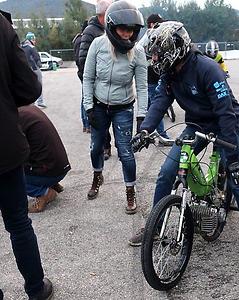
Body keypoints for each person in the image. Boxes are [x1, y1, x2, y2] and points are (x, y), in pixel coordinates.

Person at [129, 21, 239, 272]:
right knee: (166, 173)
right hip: (196, 125)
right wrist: (144, 130)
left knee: (238, 179)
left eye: (158, 53)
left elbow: (226, 113)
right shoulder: (169, 73)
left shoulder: (208, 69)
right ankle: (155, 223)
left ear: (175, 48)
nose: (154, 58)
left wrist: (234, 156)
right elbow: (160, 101)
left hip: (224, 123)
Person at [0, 12, 53, 299]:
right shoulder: (2, 26)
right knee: (18, 223)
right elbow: (29, 88)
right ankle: (35, 288)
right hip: (3, 145)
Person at [82, 0, 147, 214]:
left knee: (126, 152)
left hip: (123, 107)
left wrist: (142, 116)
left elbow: (143, 86)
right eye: (122, 29)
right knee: (95, 147)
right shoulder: (98, 45)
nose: (127, 34)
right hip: (99, 106)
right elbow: (88, 78)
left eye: (131, 30)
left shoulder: (137, 53)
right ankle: (97, 175)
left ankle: (130, 191)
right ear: (111, 26)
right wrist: (89, 107)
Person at [18, 105, 71, 213]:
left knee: (9, 175)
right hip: (60, 167)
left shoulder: (15, 118)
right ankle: (52, 184)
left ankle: (43, 192)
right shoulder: (28, 108)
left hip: (50, 172)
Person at [79, 0, 113, 159]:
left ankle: (114, 144)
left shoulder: (111, 30)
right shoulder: (90, 32)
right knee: (100, 119)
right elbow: (83, 60)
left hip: (111, 84)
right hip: (96, 85)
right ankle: (105, 146)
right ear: (103, 15)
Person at [140, 13, 173, 145]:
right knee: (156, 107)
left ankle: (148, 133)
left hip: (151, 77)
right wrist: (149, 62)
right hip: (151, 78)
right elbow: (138, 50)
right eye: (158, 23)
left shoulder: (154, 34)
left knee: (150, 108)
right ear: (152, 24)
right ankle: (161, 135)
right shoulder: (150, 34)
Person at [72, 20, 90, 133]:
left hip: (82, 72)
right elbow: (80, 59)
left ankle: (86, 124)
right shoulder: (81, 40)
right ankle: (86, 124)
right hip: (83, 72)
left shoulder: (79, 39)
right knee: (86, 98)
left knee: (85, 97)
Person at [21, 32, 46, 108]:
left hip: (24, 70)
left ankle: (30, 103)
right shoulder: (31, 47)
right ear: (31, 39)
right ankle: (40, 101)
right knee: (38, 85)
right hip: (34, 69)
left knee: (28, 86)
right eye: (34, 39)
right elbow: (36, 58)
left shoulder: (21, 47)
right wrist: (40, 65)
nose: (35, 41)